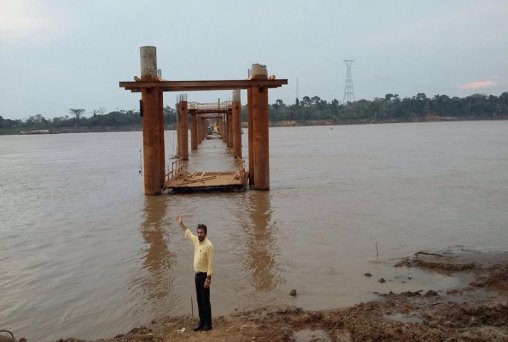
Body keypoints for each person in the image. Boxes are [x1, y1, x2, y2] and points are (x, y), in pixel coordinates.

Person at [176, 215, 214, 331]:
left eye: (201, 233)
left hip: (204, 276)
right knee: (198, 300)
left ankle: (208, 324)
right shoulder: (196, 241)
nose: (199, 234)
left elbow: (211, 265)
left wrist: (208, 279)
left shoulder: (209, 246)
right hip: (197, 276)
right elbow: (188, 233)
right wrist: (181, 224)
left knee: (205, 301)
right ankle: (201, 321)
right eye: (198, 232)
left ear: (205, 233)